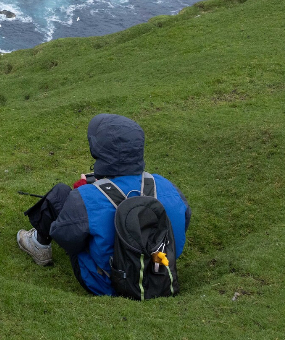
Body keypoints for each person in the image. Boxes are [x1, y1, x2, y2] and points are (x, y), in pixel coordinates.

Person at [15, 113, 191, 296]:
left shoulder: (86, 196)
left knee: (60, 194)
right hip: (159, 273)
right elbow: (183, 223)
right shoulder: (167, 186)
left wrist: (83, 197)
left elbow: (66, 238)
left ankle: (38, 244)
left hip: (106, 284)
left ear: (99, 150)